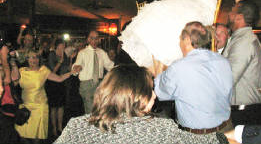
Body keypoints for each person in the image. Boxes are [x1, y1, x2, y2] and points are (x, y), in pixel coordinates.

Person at [54, 65, 228, 144]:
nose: (154, 94)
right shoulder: (162, 129)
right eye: (151, 89)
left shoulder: (77, 126)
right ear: (135, 94)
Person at [154, 21, 233, 133]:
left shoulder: (178, 67)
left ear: (186, 40)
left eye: (180, 39)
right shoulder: (223, 61)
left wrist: (158, 70)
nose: (179, 43)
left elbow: (161, 93)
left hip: (198, 136)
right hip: (226, 130)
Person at [14, 50, 80, 144]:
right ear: (27, 59)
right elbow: (11, 84)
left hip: (39, 107)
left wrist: (71, 72)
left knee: (36, 138)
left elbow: (59, 78)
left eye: (36, 57)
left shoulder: (43, 70)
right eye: (31, 57)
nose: (34, 59)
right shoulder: (21, 71)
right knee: (21, 135)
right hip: (25, 107)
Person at [222, 0, 261, 126]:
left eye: (231, 11)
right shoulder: (240, 39)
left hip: (245, 114)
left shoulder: (244, 42)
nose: (229, 14)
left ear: (239, 17)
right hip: (245, 111)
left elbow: (228, 78)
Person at [72, 30, 114, 114]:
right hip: (87, 85)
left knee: (100, 110)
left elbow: (110, 66)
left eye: (96, 38)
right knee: (90, 111)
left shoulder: (102, 53)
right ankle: (91, 125)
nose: (94, 40)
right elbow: (77, 65)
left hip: (100, 84)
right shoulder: (82, 53)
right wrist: (77, 67)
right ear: (88, 40)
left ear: (98, 40)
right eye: (92, 38)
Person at [46, 39, 70, 137]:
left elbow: (68, 69)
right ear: (57, 46)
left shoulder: (65, 55)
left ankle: (60, 127)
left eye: (64, 46)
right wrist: (59, 62)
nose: (62, 48)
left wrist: (71, 59)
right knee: (54, 107)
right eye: (61, 46)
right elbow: (52, 71)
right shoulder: (52, 54)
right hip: (52, 83)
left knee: (61, 106)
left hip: (61, 83)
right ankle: (54, 128)